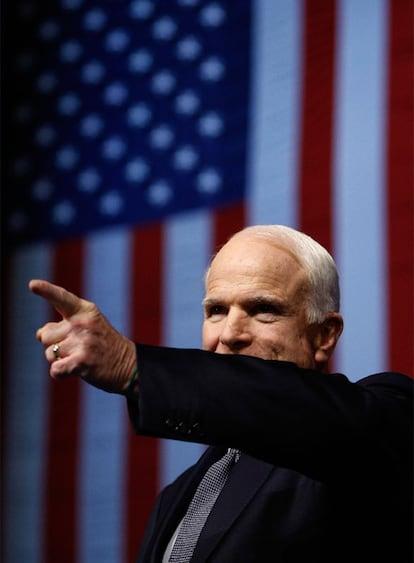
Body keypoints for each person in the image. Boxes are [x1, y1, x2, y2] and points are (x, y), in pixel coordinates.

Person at [29, 224, 413, 563]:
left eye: (263, 310)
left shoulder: (382, 423)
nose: (229, 333)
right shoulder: (177, 496)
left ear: (324, 335)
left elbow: (310, 416)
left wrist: (132, 364)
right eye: (216, 310)